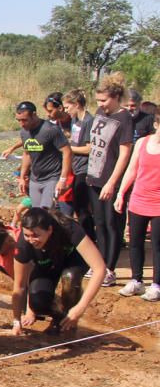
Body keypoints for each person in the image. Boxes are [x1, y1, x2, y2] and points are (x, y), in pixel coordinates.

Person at [11, 207, 105, 335]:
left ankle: (68, 323)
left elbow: (100, 269)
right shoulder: (23, 245)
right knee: (37, 303)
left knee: (70, 278)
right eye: (27, 235)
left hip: (73, 259)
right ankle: (60, 316)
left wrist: (80, 308)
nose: (31, 240)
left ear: (49, 230)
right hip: (46, 263)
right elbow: (19, 287)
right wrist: (17, 322)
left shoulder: (69, 228)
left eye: (36, 235)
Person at [86, 74, 134, 288]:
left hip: (110, 179)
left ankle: (110, 269)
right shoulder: (99, 113)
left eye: (104, 101)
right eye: (98, 101)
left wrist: (112, 183)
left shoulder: (124, 119)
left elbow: (124, 154)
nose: (100, 105)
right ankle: (100, 264)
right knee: (99, 223)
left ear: (115, 97)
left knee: (112, 224)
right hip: (94, 176)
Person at [114, 112, 160, 301]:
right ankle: (136, 280)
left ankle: (156, 284)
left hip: (158, 203)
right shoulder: (142, 142)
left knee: (157, 245)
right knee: (135, 243)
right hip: (138, 199)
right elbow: (132, 169)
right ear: (156, 124)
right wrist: (121, 193)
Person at [15, 101, 72, 209]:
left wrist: (63, 179)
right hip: (35, 179)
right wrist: (22, 177)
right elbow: (27, 154)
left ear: (34, 115)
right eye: (19, 120)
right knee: (37, 215)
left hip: (52, 177)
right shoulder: (24, 132)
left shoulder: (50, 129)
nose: (22, 124)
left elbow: (67, 152)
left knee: (45, 213)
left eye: (24, 120)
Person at [61, 89, 95, 236]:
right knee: (77, 205)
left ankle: (88, 237)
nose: (66, 111)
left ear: (76, 104)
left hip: (84, 168)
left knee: (82, 207)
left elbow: (89, 148)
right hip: (75, 166)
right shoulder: (75, 120)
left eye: (68, 107)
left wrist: (69, 148)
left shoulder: (89, 121)